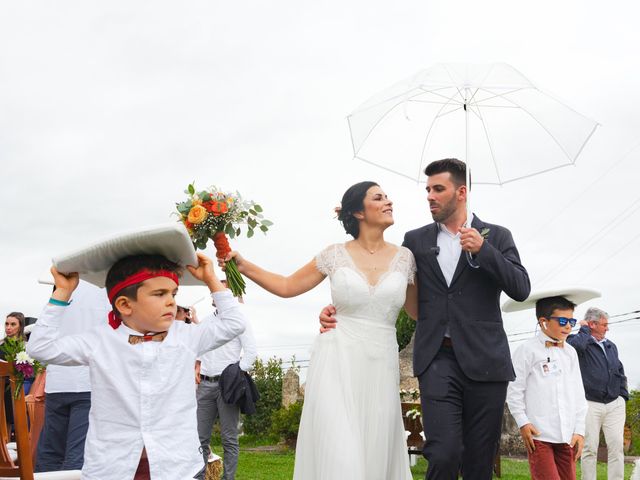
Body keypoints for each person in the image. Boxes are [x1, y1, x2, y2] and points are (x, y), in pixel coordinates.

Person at [321, 158, 531, 479]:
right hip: (437, 359)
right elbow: (388, 279)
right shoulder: (415, 241)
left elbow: (520, 287)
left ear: (461, 192)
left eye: (438, 189)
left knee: (479, 463)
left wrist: (484, 250)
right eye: (428, 189)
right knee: (444, 452)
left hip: (487, 363)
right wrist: (346, 308)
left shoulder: (497, 236)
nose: (429, 196)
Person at [220, 181, 417, 479]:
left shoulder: (406, 258)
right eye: (379, 197)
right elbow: (287, 286)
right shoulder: (333, 254)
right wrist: (244, 265)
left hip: (381, 363)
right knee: (340, 451)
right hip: (337, 358)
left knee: (375, 447)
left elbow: (418, 312)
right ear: (358, 212)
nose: (389, 201)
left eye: (387, 197)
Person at [27, 252, 246, 479]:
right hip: (114, 465)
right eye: (159, 294)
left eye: (173, 293)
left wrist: (211, 280)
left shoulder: (187, 336)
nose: (171, 301)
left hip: (175, 465)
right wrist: (62, 292)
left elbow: (235, 323)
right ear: (125, 305)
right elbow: (40, 347)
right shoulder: (99, 340)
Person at [506, 293, 588, 480]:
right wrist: (523, 422)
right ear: (543, 321)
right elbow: (514, 390)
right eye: (562, 321)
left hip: (566, 436)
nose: (568, 326)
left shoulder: (571, 353)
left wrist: (579, 431)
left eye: (571, 321)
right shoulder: (527, 350)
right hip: (540, 435)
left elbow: (578, 394)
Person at [35, 280, 110, 472]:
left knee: (51, 451)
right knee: (78, 454)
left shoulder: (64, 286)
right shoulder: (104, 286)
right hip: (88, 382)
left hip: (59, 379)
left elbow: (45, 332)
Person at [195, 290, 257, 480]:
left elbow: (251, 353)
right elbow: (197, 347)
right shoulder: (206, 321)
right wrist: (196, 365)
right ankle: (198, 477)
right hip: (205, 384)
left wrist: (235, 374)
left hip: (227, 386)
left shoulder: (240, 321)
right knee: (199, 438)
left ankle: (228, 478)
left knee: (229, 438)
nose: (215, 295)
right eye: (214, 293)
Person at [567, 307, 628, 480]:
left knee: (617, 447)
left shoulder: (611, 346)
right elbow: (574, 347)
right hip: (589, 403)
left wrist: (623, 395)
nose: (607, 328)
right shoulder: (578, 340)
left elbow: (619, 370)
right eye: (604, 324)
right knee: (589, 448)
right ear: (592, 324)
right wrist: (584, 329)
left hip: (614, 403)